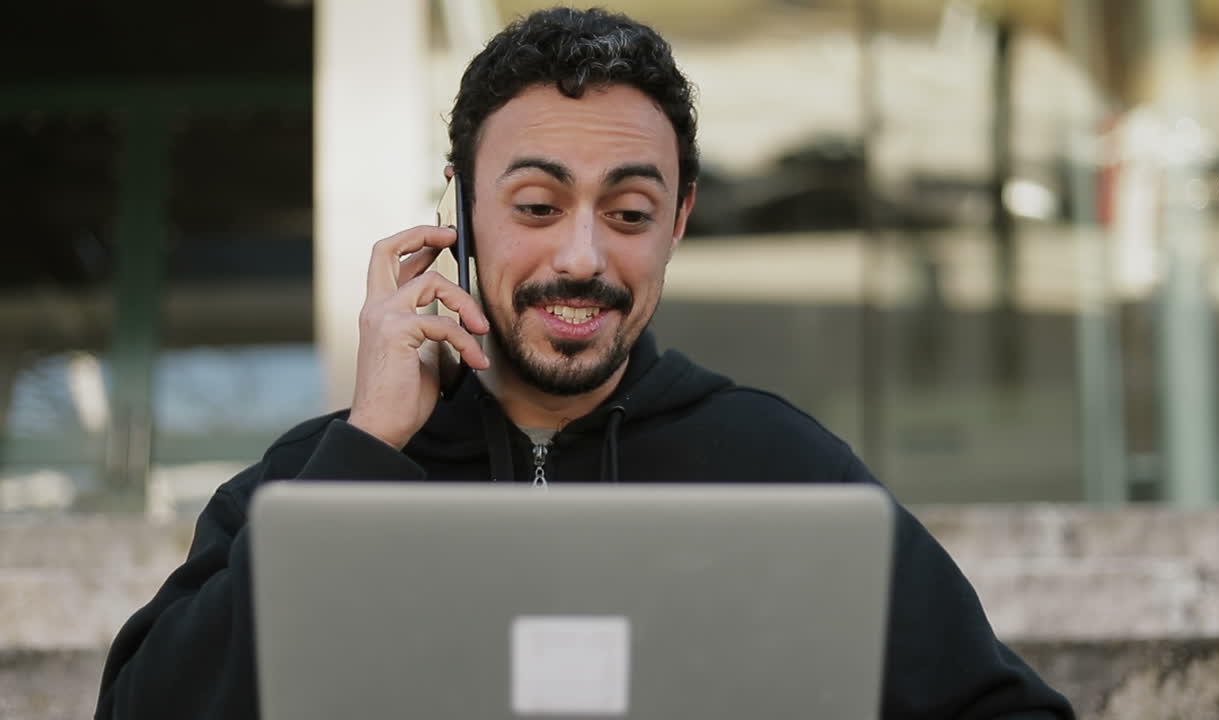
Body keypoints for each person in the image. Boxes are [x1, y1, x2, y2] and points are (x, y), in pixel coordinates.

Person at [96, 7, 1075, 719]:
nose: (580, 257)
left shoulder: (778, 466)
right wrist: (365, 453)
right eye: (533, 206)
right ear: (463, 210)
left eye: (628, 213)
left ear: (678, 223)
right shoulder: (316, 481)